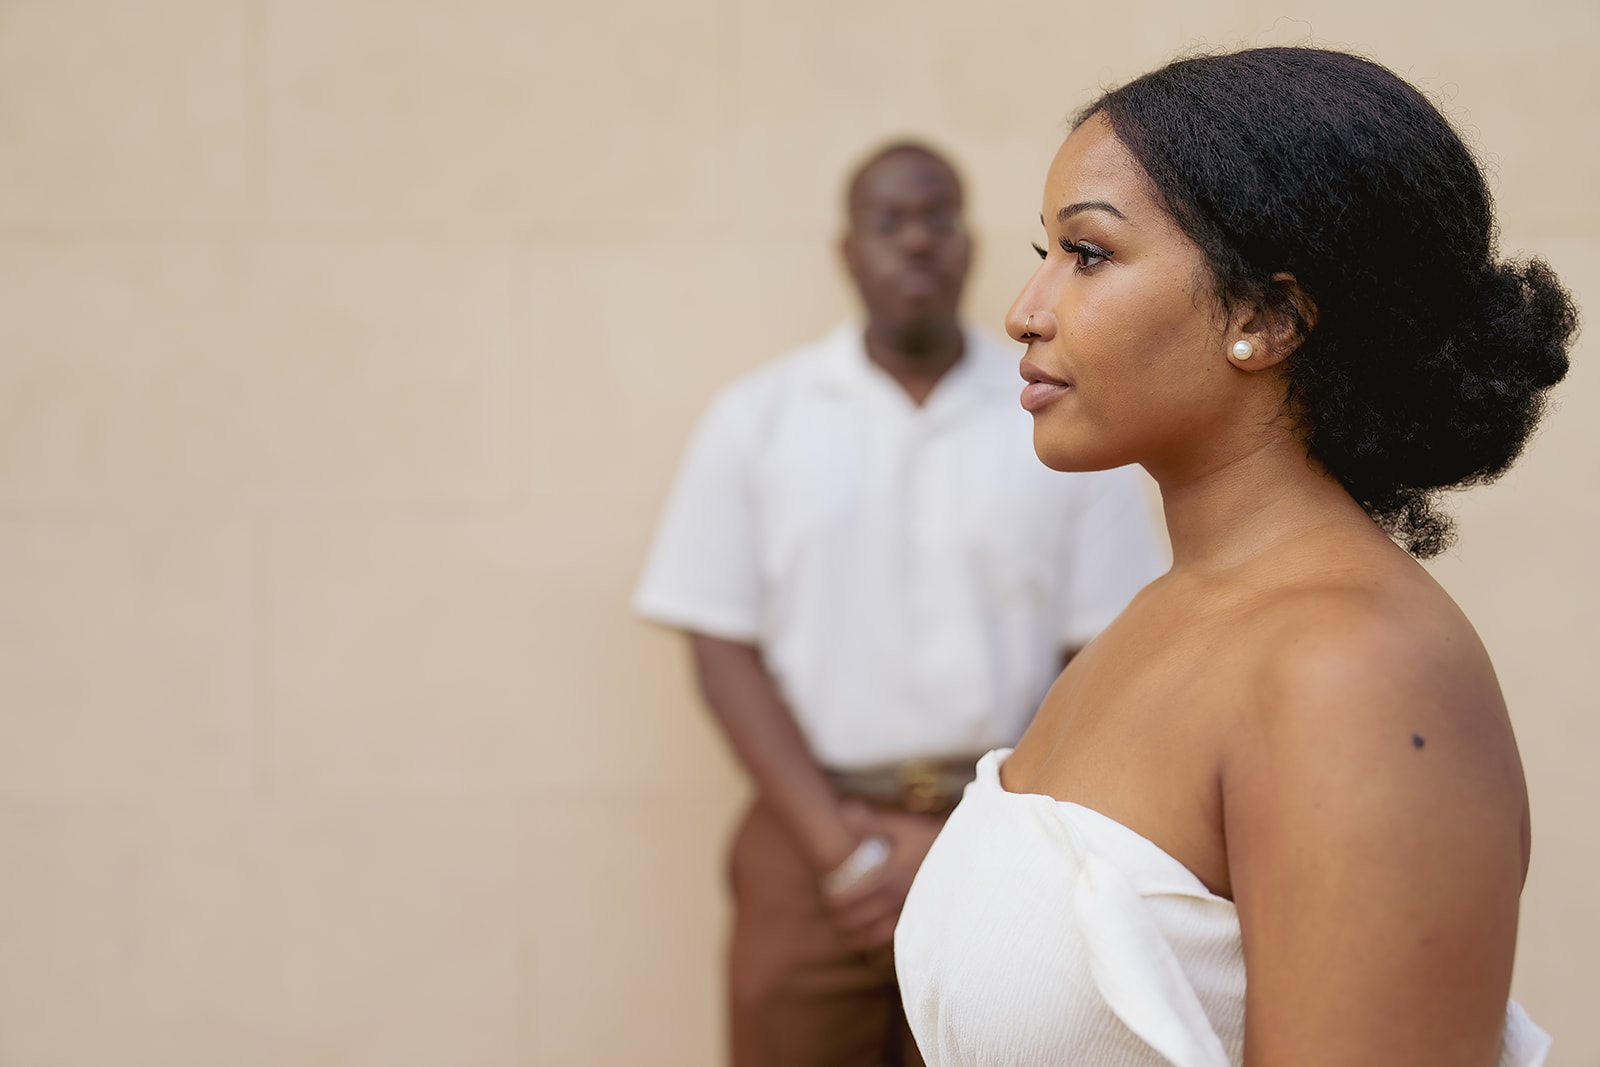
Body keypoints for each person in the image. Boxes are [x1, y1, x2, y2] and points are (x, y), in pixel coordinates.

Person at [893, 46, 1579, 1067]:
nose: (1024, 311)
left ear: (1264, 316)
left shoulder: (1354, 671)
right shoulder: (1164, 614)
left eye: (1086, 254)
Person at [633, 141, 1163, 1067]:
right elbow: (719, 646)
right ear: (847, 250)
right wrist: (840, 851)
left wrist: (982, 832)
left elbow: (1107, 651)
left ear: (970, 245)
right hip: (810, 840)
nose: (916, 242)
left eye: (939, 218)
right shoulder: (759, 419)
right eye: (890, 222)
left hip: (1010, 832)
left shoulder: (1066, 419)